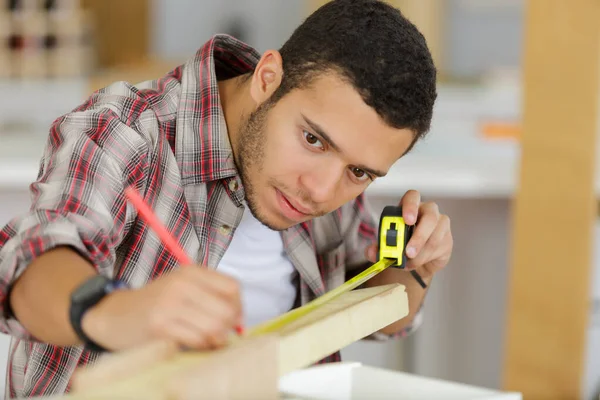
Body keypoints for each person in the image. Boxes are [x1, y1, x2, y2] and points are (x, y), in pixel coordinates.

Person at [0, 0, 453, 397]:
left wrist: (416, 267)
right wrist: (115, 312)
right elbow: (29, 267)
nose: (321, 191)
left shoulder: (332, 180)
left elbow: (383, 315)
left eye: (359, 172)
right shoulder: (124, 131)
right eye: (314, 140)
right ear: (268, 78)